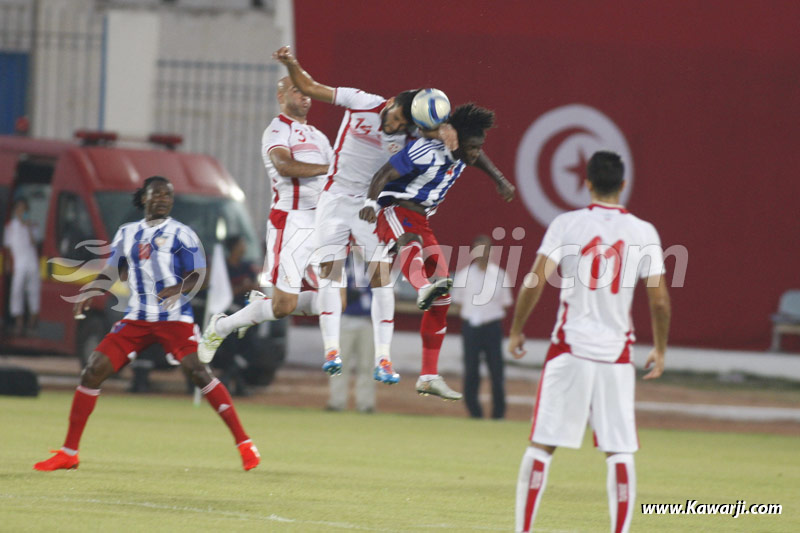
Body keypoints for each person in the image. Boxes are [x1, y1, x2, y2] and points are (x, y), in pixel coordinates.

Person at [273, 45, 511, 387]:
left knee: (381, 278)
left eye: (402, 124)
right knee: (330, 273)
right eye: (396, 118)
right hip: (334, 198)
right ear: (392, 103)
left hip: (371, 205)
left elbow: (466, 146)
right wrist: (291, 63)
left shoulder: (414, 133)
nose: (394, 126)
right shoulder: (361, 101)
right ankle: (331, 350)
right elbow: (310, 87)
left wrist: (449, 131)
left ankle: (383, 358)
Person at [34, 176, 260, 472]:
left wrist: (179, 287)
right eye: (157, 194)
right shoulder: (127, 233)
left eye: (168, 195)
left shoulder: (182, 233)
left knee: (198, 371)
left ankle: (244, 443)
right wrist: (90, 291)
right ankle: (69, 452)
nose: (163, 199)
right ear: (144, 198)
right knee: (93, 370)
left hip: (174, 318)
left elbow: (200, 275)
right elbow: (112, 271)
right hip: (137, 319)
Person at [507, 151, 671, 533]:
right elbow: (660, 300)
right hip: (616, 354)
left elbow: (534, 281)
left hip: (570, 347)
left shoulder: (567, 224)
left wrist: (517, 328)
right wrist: (661, 348)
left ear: (588, 183)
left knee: (542, 445)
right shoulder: (644, 232)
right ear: (623, 185)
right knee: (620, 450)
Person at [359, 103, 515, 400]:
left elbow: (478, 157)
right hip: (394, 208)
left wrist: (499, 179)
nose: (475, 152)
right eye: (471, 146)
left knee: (442, 296)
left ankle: (429, 376)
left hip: (422, 219)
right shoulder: (426, 150)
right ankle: (421, 287)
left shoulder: (463, 153)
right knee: (410, 242)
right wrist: (369, 202)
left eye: (478, 146)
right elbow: (384, 173)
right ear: (456, 139)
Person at [198, 75, 333, 364]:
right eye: (296, 90)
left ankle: (258, 308)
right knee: (283, 307)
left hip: (323, 226)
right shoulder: (277, 130)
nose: (304, 95)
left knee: (335, 302)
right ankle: (222, 326)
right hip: (292, 223)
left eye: (307, 90)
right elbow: (284, 165)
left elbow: (335, 182)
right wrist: (329, 168)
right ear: (280, 96)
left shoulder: (320, 137)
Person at [451, 234, 513, 419]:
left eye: (486, 249)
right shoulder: (464, 275)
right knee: (471, 370)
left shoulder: (500, 275)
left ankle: (498, 414)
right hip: (471, 327)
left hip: (492, 326)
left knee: (496, 370)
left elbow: (505, 303)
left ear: (491, 251)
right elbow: (458, 303)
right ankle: (474, 412)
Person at [327, 252, 377, 413]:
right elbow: (330, 290)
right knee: (340, 363)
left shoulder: (377, 264)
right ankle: (337, 402)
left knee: (367, 365)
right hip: (345, 319)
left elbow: (387, 293)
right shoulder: (341, 264)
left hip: (367, 320)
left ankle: (365, 404)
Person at [3, 197, 41, 336]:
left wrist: (28, 227)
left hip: (32, 263)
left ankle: (32, 323)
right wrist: (8, 264)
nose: (21, 211)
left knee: (33, 292)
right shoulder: (10, 227)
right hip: (19, 263)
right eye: (19, 209)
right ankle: (18, 323)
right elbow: (7, 248)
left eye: (24, 209)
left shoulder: (32, 225)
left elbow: (34, 242)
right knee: (17, 291)